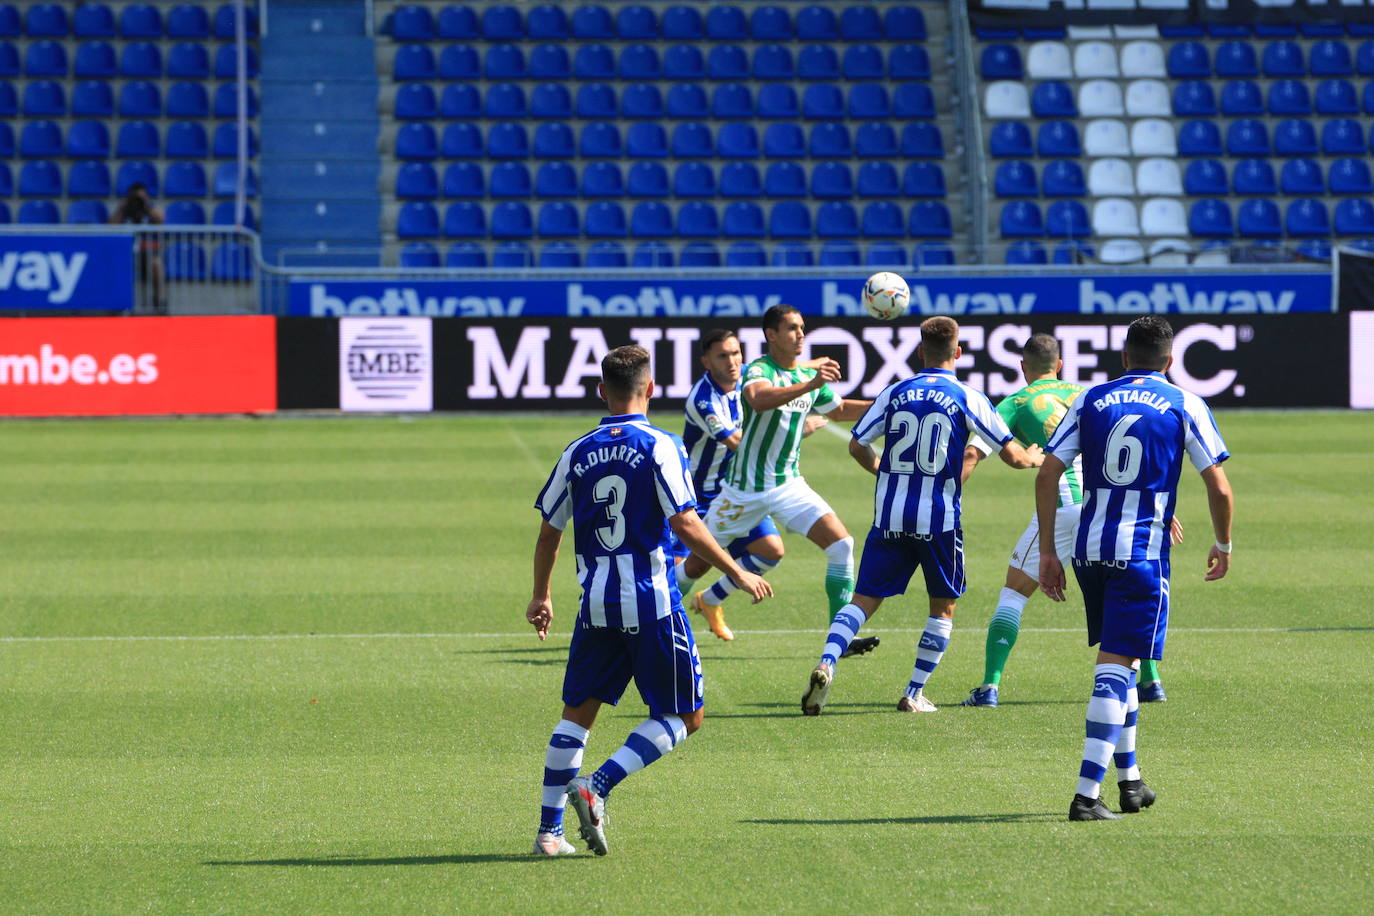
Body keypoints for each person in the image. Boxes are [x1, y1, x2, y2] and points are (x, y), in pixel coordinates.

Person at [527, 345, 772, 856]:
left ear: (601, 392)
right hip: (652, 603)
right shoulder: (661, 446)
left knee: (577, 716)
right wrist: (736, 571)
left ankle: (549, 833)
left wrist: (541, 596)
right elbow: (686, 521)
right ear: (652, 389)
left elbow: (550, 529)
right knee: (686, 715)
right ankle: (599, 784)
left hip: (594, 605)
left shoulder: (576, 451)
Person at [1037, 316, 1233, 821]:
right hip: (1141, 556)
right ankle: (1085, 796)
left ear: (1123, 357)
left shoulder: (1090, 399)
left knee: (1120, 664)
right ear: (1170, 362)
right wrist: (1223, 544)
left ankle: (1131, 783)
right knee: (1113, 672)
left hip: (1090, 552)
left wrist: (1047, 554)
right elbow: (1219, 487)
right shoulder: (1184, 402)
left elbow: (1049, 472)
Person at [802, 317, 1043, 716]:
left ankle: (827, 662)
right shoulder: (968, 395)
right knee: (942, 608)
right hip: (939, 521)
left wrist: (882, 469)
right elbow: (1013, 456)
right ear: (959, 352)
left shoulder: (895, 392)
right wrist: (1032, 457)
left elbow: (857, 444)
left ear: (919, 352)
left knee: (863, 599)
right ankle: (913, 692)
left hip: (890, 517)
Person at [958, 334, 1177, 708]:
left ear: (1023, 368)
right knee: (1124, 592)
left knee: (1013, 593)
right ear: (1060, 365)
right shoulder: (1092, 395)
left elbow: (974, 453)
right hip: (1111, 508)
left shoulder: (1012, 403)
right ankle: (1150, 680)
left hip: (1060, 507)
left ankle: (989, 687)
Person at [673, 328, 877, 658]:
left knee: (783, 548)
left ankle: (839, 636)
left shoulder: (744, 378)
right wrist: (799, 428)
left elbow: (780, 378)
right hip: (706, 493)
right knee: (696, 566)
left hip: (771, 483)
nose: (732, 361)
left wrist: (883, 404)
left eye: (736, 353)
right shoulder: (704, 399)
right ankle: (651, 619)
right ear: (706, 362)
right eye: (723, 356)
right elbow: (740, 443)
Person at [109, 183, 166, 314]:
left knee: (157, 264)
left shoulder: (150, 209)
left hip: (148, 254)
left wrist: (146, 205)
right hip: (126, 254)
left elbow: (161, 220)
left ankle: (160, 303)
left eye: (141, 196)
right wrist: (121, 208)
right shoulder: (124, 210)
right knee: (118, 266)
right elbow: (110, 226)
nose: (137, 200)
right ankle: (119, 303)